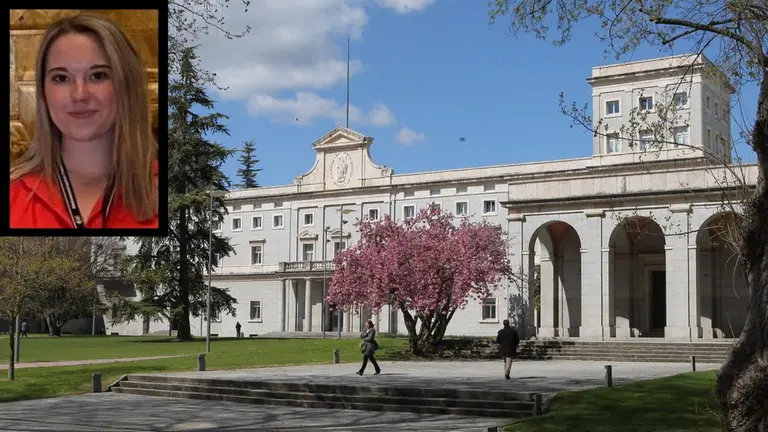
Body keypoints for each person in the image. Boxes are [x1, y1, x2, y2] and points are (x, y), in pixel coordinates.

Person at [10, 13, 158, 229]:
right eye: (61, 78)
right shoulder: (15, 194)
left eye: (98, 76)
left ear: (126, 86)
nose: (79, 95)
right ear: (43, 91)